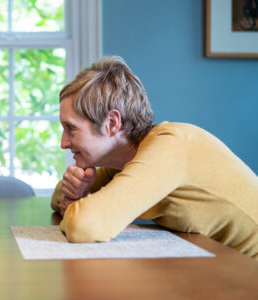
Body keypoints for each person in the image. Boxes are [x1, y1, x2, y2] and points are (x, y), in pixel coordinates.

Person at [51, 56, 258, 260]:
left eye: (71, 128)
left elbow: (85, 225)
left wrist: (73, 206)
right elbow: (58, 199)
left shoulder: (171, 146)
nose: (63, 143)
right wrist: (75, 193)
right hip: (226, 267)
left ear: (112, 123)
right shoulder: (123, 163)